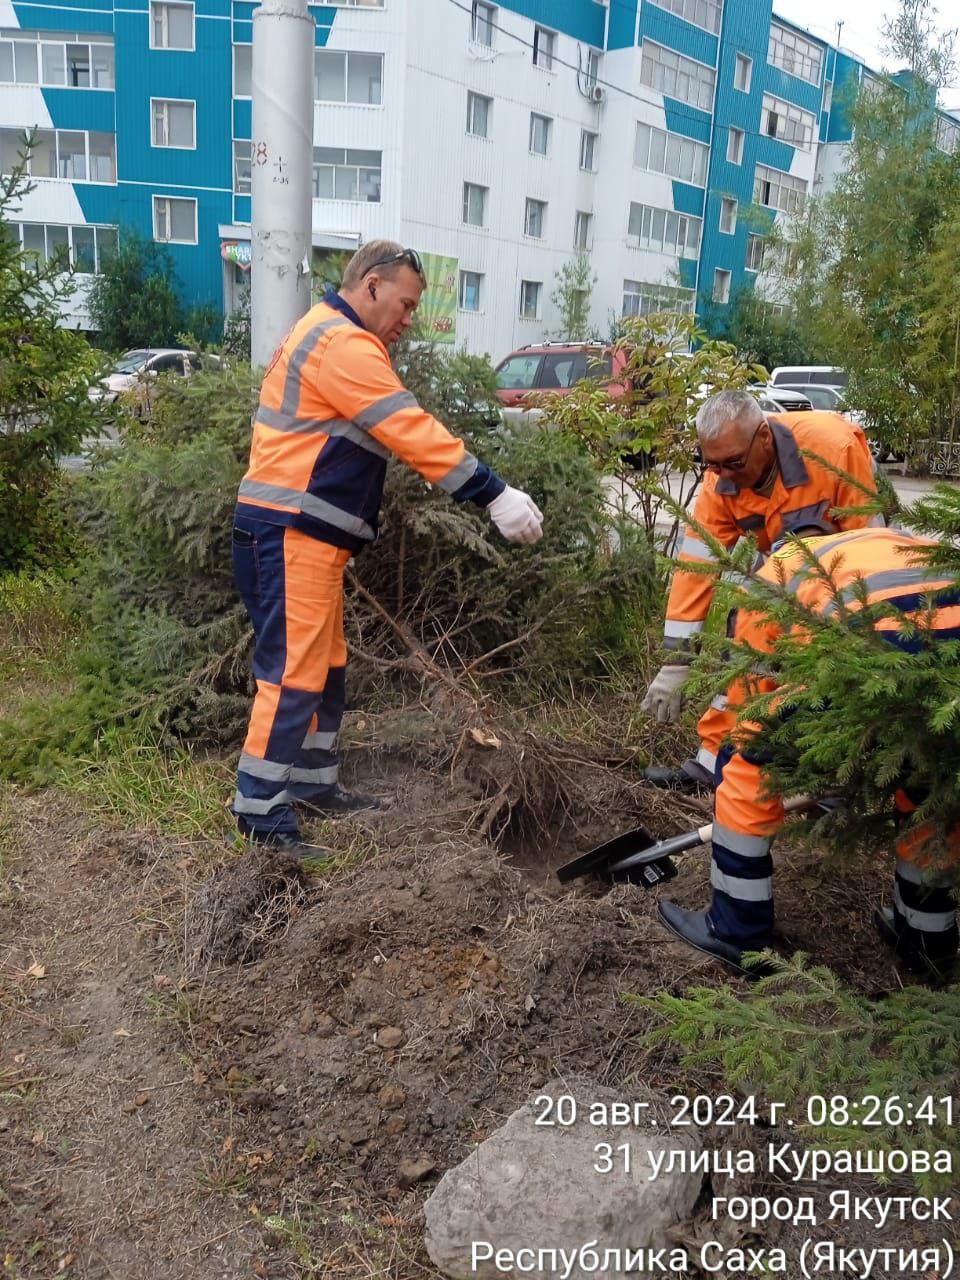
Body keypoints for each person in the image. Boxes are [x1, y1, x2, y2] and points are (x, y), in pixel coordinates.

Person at [231, 240, 544, 859]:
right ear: (371, 286)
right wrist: (493, 493)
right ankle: (259, 813)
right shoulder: (344, 345)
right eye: (404, 304)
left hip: (301, 537)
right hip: (290, 535)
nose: (408, 319)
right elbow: (409, 428)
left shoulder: (324, 334)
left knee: (324, 668)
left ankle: (314, 786)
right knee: (294, 674)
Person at [656, 525, 960, 981]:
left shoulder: (770, 578)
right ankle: (925, 939)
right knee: (925, 777)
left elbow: (752, 700)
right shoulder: (891, 540)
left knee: (744, 759)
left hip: (871, 660)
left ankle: (735, 931)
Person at [642, 389, 881, 792]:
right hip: (785, 563)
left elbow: (871, 546)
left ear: (764, 439)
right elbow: (695, 567)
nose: (724, 474)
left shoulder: (833, 450)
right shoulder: (720, 481)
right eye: (712, 464)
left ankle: (833, 778)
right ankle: (714, 762)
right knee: (746, 632)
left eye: (734, 461)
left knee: (829, 660)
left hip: (848, 568)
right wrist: (676, 663)